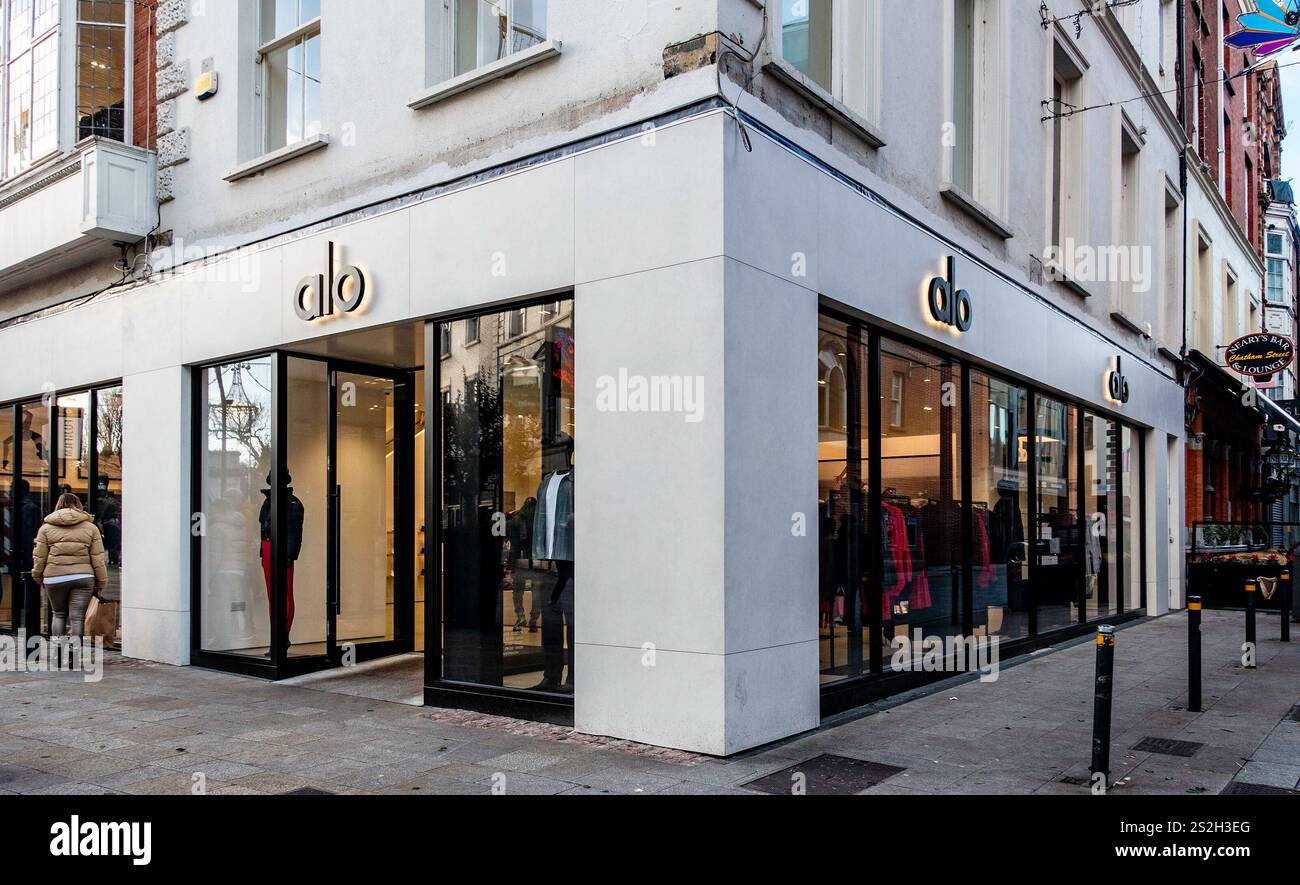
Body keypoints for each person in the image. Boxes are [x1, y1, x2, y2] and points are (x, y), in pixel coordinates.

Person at [30, 493, 107, 639]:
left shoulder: (45, 528)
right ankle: (74, 656)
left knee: (58, 614)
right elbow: (98, 558)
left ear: (58, 505)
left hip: (54, 576)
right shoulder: (91, 528)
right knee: (77, 618)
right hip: (83, 577)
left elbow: (40, 557)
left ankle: (58, 654)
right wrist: (102, 581)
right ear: (78, 505)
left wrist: (38, 576)